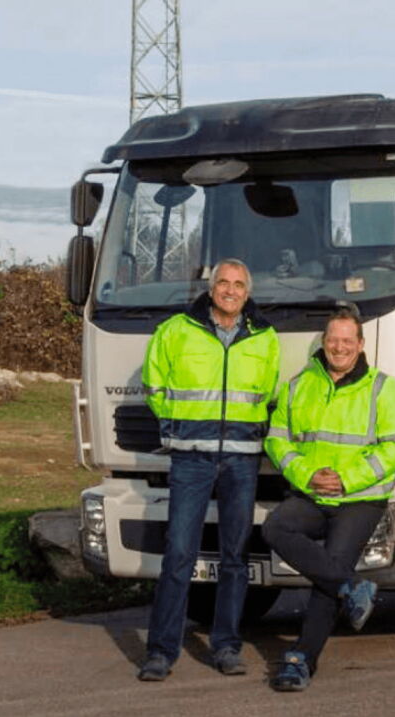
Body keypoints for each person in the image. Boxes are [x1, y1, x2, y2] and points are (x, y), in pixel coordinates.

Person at [137, 258, 280, 681]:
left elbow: (270, 393)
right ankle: (161, 652)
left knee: (235, 557)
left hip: (241, 459)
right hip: (191, 457)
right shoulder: (176, 330)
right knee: (179, 554)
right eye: (223, 283)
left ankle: (227, 646)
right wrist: (177, 424)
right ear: (211, 287)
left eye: (238, 284)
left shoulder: (265, 337)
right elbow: (154, 384)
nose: (230, 290)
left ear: (247, 292)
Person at [262, 307, 395, 692]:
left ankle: (301, 660)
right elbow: (276, 439)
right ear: (324, 343)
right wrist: (307, 475)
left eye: (348, 341)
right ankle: (350, 586)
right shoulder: (298, 385)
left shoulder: (385, 388)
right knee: (275, 527)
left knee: (331, 565)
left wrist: (346, 480)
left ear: (360, 345)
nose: (339, 347)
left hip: (360, 498)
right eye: (333, 340)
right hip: (312, 493)